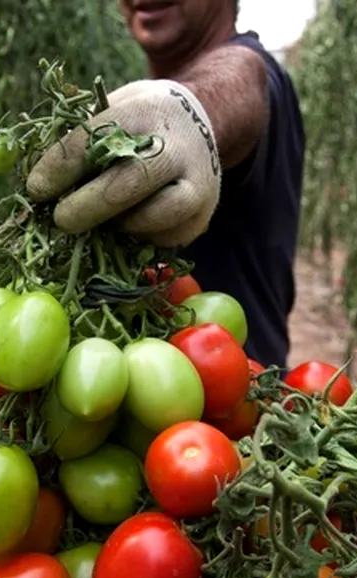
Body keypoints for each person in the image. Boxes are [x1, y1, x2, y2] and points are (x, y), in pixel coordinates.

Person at [28, 0, 304, 369]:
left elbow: (240, 80)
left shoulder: (256, 75)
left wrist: (189, 110)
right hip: (148, 392)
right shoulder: (140, 103)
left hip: (243, 394)